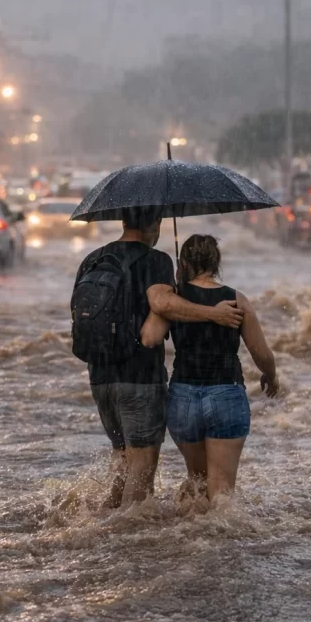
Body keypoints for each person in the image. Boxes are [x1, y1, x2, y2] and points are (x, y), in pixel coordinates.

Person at [73, 209, 245, 509]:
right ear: (156, 224)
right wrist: (213, 313)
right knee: (142, 459)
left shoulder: (94, 258)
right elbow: (162, 302)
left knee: (122, 455)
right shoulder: (155, 260)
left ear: (123, 221)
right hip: (138, 378)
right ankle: (126, 534)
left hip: (100, 376)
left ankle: (103, 522)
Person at [141, 234, 278, 503]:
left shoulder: (174, 301)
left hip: (183, 398)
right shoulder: (236, 300)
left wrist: (173, 294)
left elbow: (151, 337)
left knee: (198, 481)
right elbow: (261, 354)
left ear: (184, 263)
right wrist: (270, 375)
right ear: (216, 263)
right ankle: (221, 542)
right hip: (226, 393)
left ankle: (191, 538)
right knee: (222, 492)